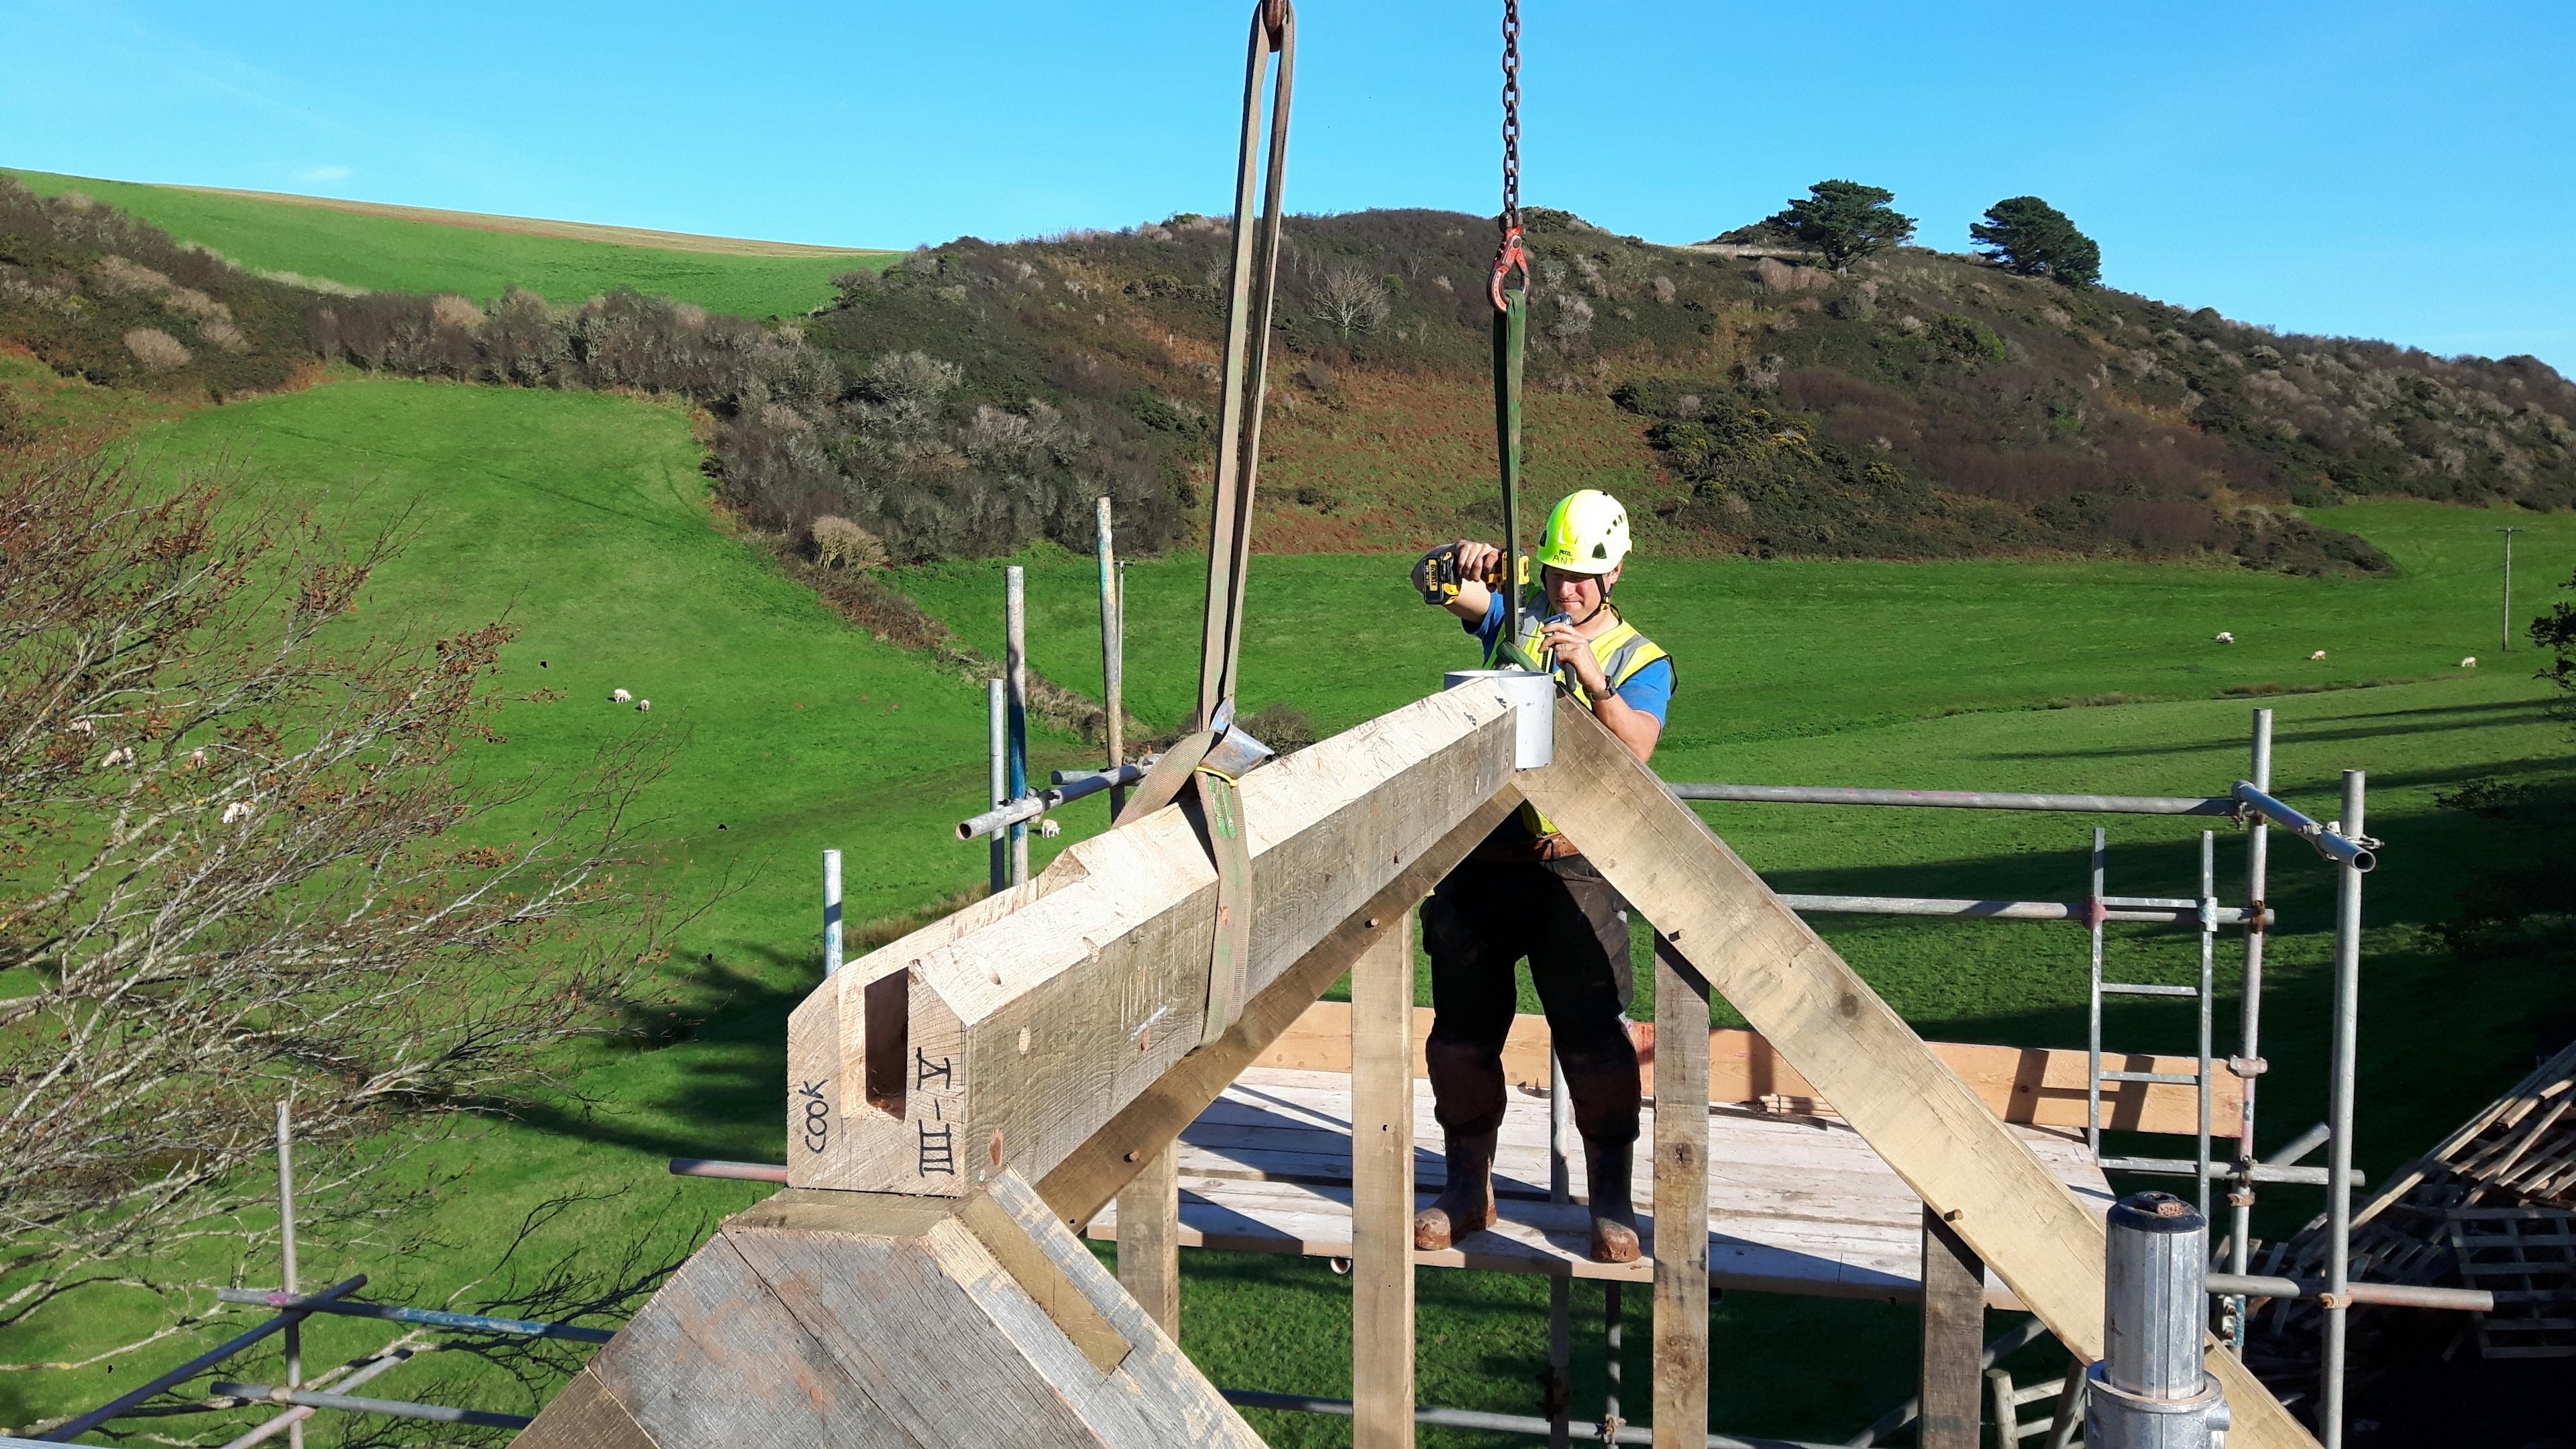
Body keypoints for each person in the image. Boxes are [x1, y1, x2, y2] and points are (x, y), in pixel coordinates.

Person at [1410, 488, 1674, 1263]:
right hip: (1484, 860)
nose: (1566, 590)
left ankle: (1612, 1203)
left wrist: (1593, 676)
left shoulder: (1639, 658)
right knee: (1460, 1041)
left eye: (1584, 577)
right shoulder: (1514, 613)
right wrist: (1461, 558)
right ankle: (1467, 1189)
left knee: (1594, 1043)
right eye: (1557, 571)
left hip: (1572, 869)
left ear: (1616, 572)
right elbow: (1427, 582)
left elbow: (1636, 751)